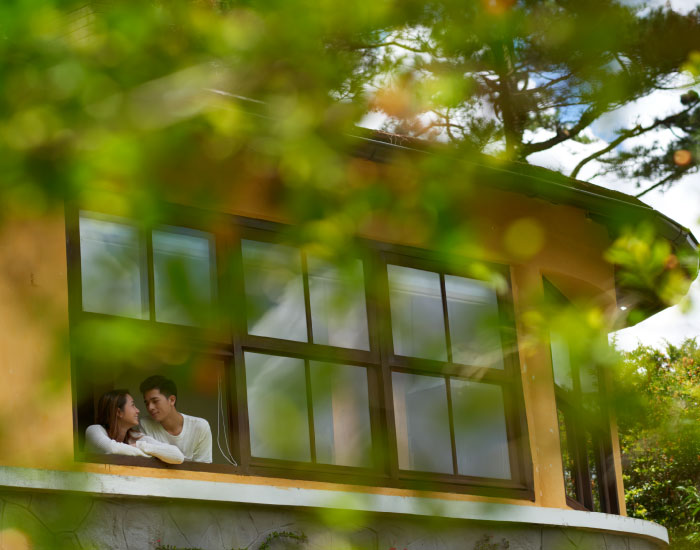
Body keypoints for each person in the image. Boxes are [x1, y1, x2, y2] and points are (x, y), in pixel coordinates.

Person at [85, 389, 184, 464]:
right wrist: (152, 454)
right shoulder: (94, 430)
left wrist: (140, 446)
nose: (138, 410)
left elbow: (178, 456)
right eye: (132, 405)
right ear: (119, 412)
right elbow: (112, 449)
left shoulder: (135, 437)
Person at [139, 375, 213, 463]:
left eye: (155, 401)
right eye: (147, 403)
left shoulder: (200, 427)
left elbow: (203, 468)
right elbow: (148, 463)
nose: (150, 407)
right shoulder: (146, 424)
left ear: (172, 400)